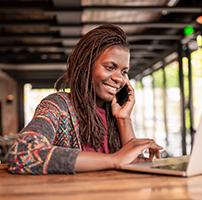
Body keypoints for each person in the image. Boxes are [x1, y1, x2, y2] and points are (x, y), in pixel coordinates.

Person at [7, 24, 163, 174]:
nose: (118, 78)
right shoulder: (57, 106)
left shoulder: (115, 113)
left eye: (124, 72)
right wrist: (114, 159)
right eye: (110, 67)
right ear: (86, 66)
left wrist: (123, 119)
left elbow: (133, 169)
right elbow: (22, 154)